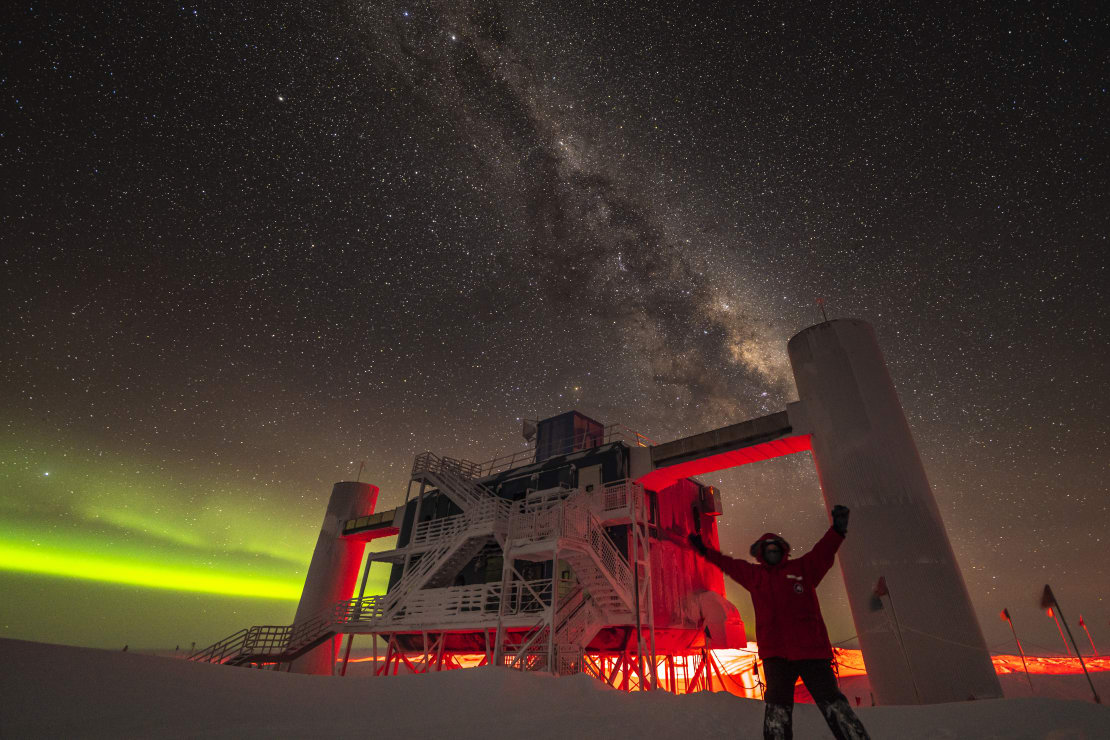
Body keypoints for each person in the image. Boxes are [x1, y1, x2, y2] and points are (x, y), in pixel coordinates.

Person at [687, 504, 869, 740]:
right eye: (768, 550)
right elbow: (728, 564)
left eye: (775, 549)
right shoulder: (755, 576)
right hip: (776, 656)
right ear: (761, 554)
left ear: (782, 551)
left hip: (811, 652)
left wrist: (837, 530)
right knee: (777, 709)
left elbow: (823, 552)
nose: (772, 553)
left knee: (833, 703)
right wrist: (704, 550)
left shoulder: (803, 569)